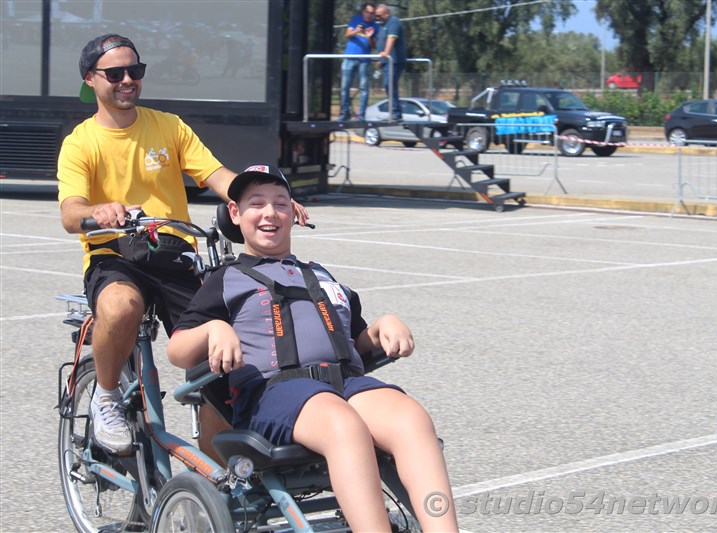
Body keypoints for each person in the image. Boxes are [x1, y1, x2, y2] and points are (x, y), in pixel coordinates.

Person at [166, 165, 459, 532]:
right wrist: (214, 328)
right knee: (343, 424)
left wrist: (383, 326)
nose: (269, 212)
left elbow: (356, 343)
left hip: (344, 382)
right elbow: (177, 351)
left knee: (410, 418)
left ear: (293, 213)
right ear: (236, 214)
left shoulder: (319, 275)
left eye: (280, 203)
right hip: (275, 394)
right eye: (256, 204)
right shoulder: (226, 279)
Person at [57, 34, 308, 456]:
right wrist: (98, 210)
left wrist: (262, 196)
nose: (126, 80)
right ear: (91, 79)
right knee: (121, 307)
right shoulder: (81, 142)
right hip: (115, 254)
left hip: (176, 254)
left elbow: (217, 175)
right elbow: (70, 213)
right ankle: (105, 397)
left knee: (220, 358)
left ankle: (224, 479)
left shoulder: (168, 126)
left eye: (134, 71)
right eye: (114, 73)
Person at [337, 2, 378, 121]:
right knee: (345, 87)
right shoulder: (355, 20)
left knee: (364, 88)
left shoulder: (375, 26)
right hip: (349, 58)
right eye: (367, 12)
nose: (369, 15)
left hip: (364, 60)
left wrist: (370, 37)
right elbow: (347, 34)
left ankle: (361, 115)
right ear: (363, 12)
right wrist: (356, 30)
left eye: (372, 13)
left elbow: (374, 45)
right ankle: (345, 113)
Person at [374, 3, 406, 121]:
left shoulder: (393, 21)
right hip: (387, 62)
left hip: (395, 61)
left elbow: (391, 38)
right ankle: (394, 113)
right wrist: (380, 60)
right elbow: (378, 44)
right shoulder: (382, 26)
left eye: (379, 15)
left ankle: (396, 114)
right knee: (388, 86)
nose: (377, 18)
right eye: (376, 16)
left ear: (387, 13)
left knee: (390, 85)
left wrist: (386, 53)